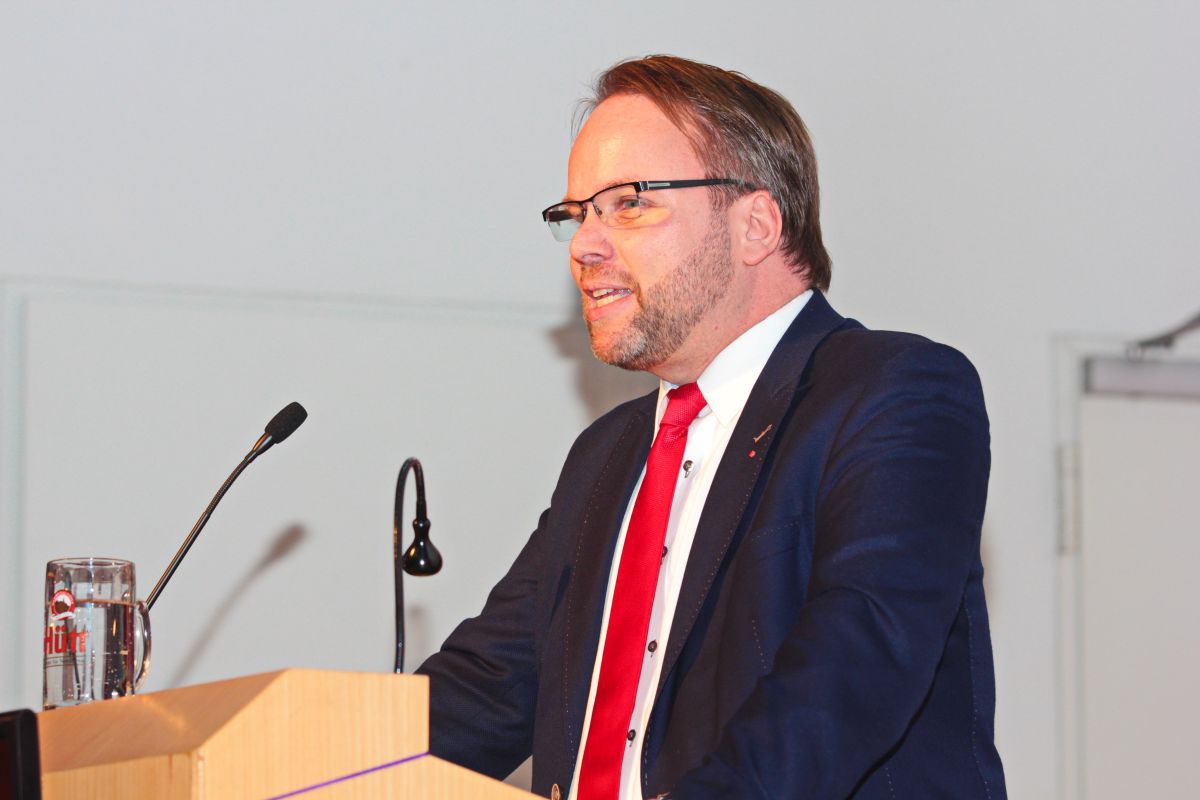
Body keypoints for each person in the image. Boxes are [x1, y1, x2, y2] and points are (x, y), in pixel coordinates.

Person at [417, 55, 1006, 800]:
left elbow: (852, 667)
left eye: (627, 204)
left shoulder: (891, 392)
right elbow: (487, 688)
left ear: (755, 224)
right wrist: (302, 759)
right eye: (576, 214)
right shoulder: (607, 454)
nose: (584, 245)